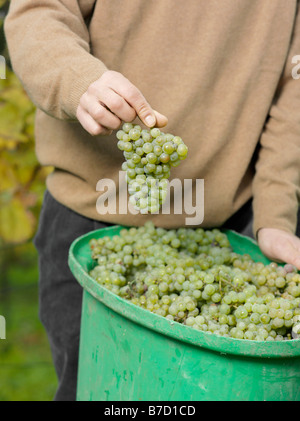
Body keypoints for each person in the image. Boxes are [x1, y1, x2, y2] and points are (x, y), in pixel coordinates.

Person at [4, 0, 300, 401]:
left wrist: (275, 217)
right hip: (94, 231)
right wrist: (79, 80)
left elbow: (293, 92)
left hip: (226, 240)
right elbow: (38, 13)